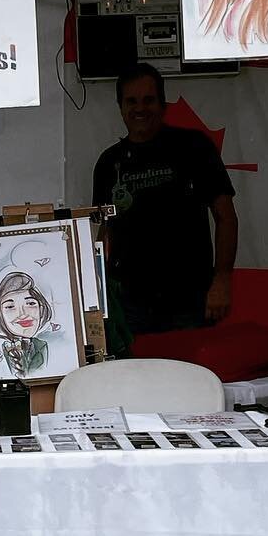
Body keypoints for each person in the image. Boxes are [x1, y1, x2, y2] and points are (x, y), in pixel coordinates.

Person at [92, 63, 238, 336]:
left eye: (148, 100)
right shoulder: (108, 162)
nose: (140, 109)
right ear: (120, 107)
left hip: (190, 300)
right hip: (130, 305)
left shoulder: (194, 146)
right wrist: (101, 294)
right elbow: (102, 234)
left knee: (191, 377)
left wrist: (222, 280)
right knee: (135, 378)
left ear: (162, 103)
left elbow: (225, 215)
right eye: (131, 101)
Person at [0, 270, 53, 377]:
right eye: (10, 307)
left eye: (31, 303)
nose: (22, 314)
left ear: (41, 308)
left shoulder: (41, 346)